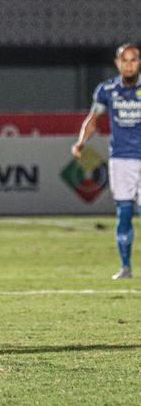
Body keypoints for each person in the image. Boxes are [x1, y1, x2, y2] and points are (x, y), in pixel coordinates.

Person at [72, 43, 141, 280]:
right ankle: (125, 267)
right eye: (125, 60)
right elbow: (93, 119)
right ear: (117, 63)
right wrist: (81, 142)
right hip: (121, 160)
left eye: (133, 60)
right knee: (123, 212)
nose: (129, 65)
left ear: (139, 63)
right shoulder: (107, 89)